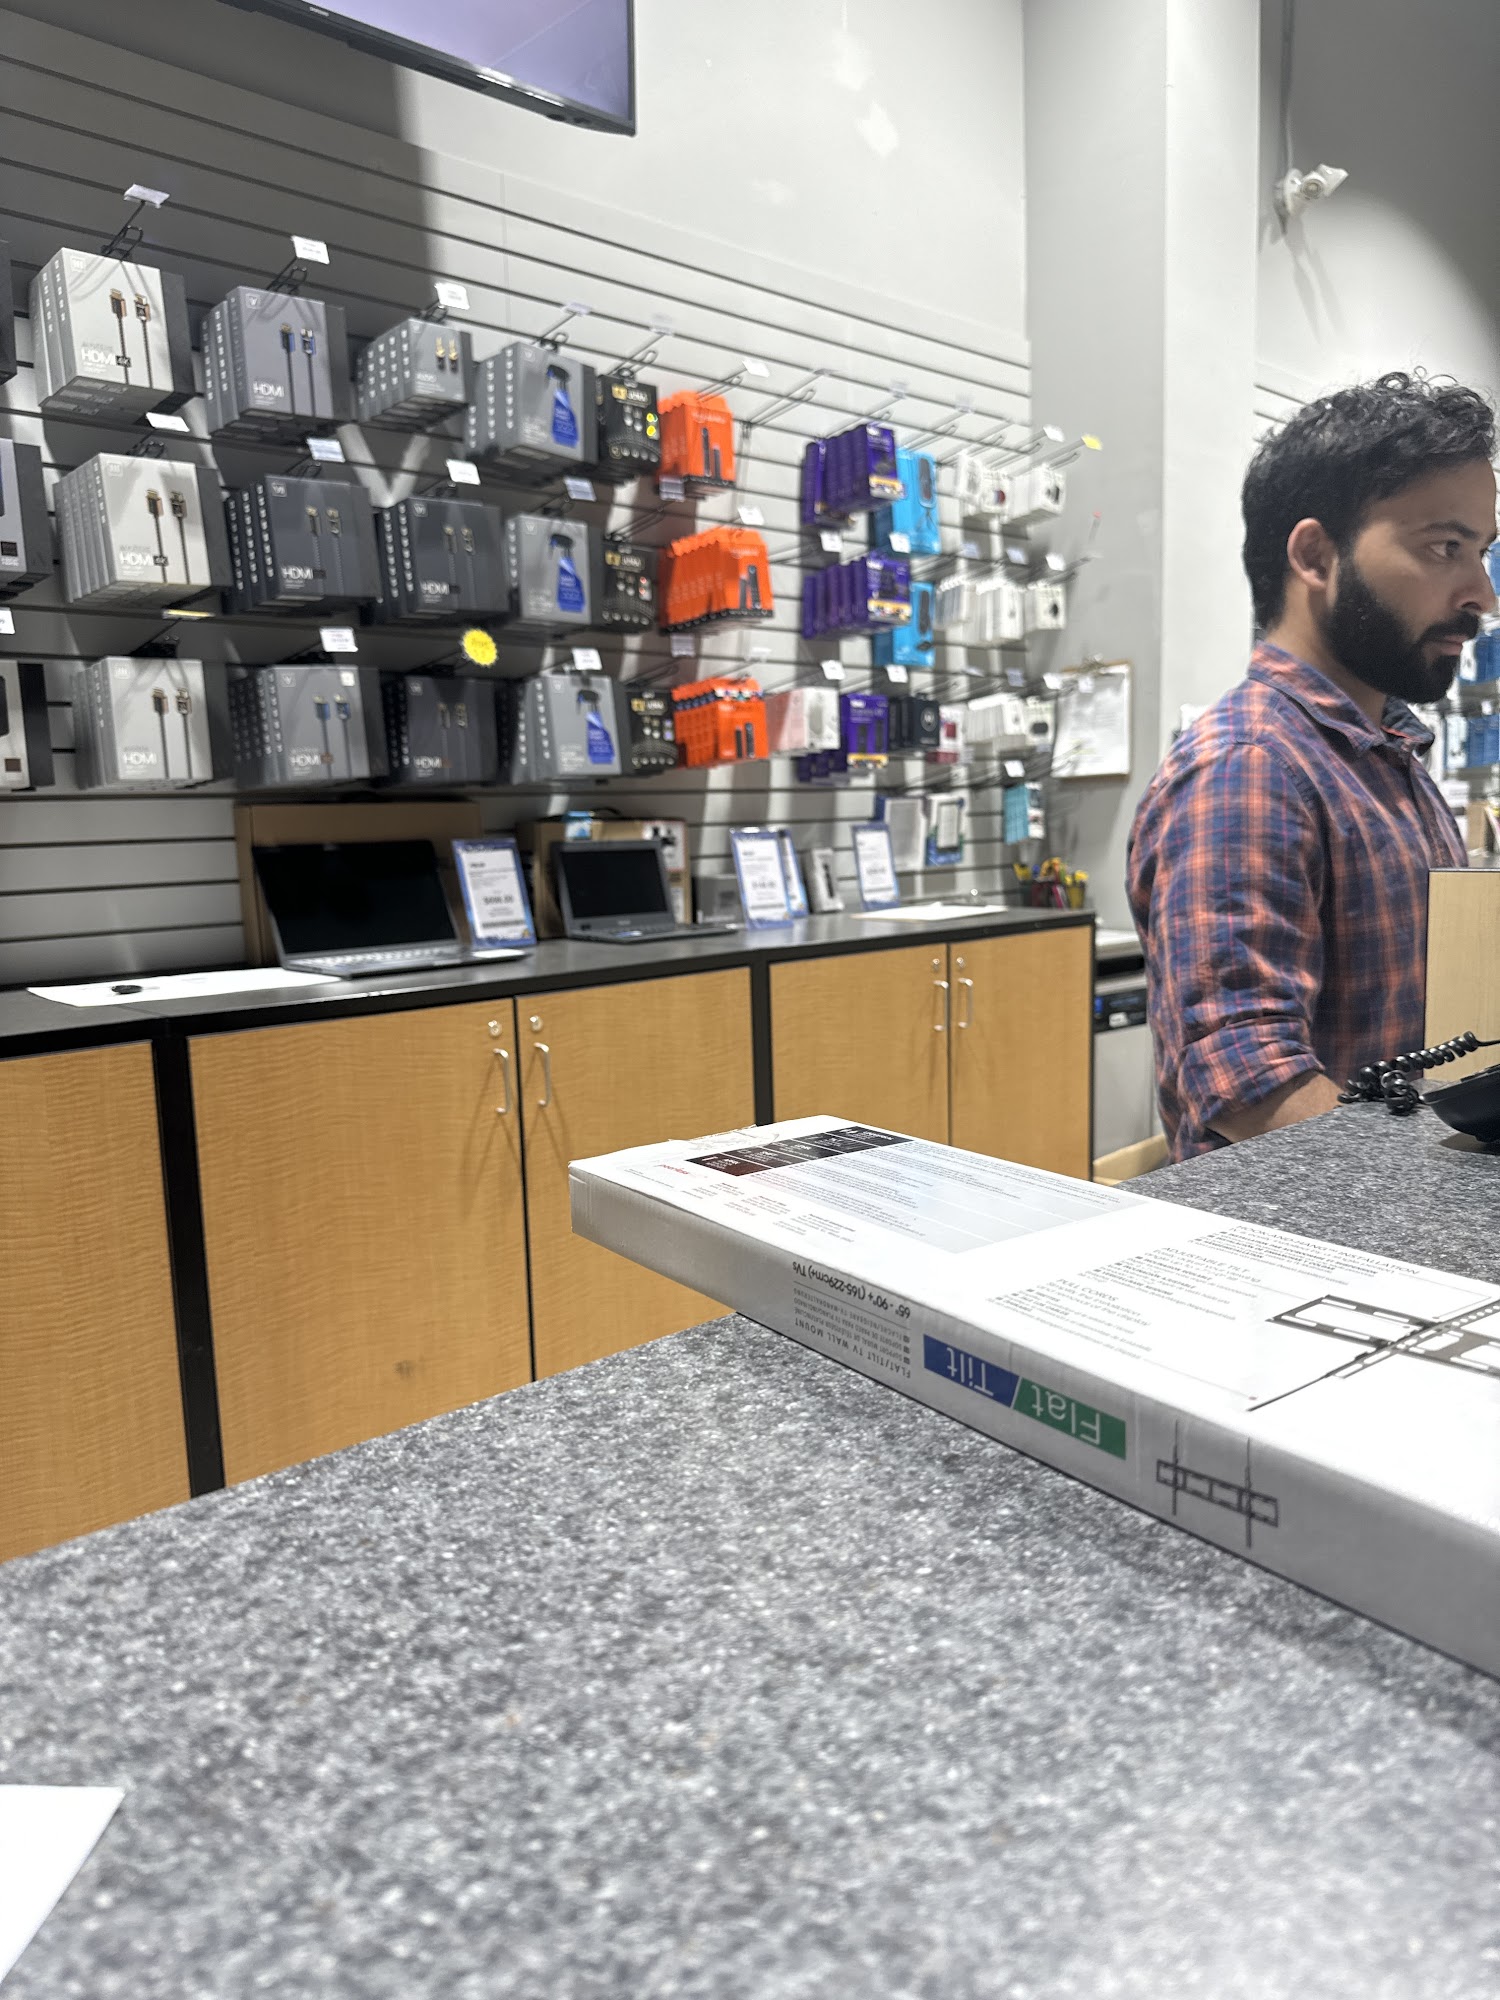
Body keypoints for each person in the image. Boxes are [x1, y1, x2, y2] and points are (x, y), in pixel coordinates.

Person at [1128, 372, 1496, 1160]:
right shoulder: (1249, 768)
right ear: (1315, 555)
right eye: (1445, 548)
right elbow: (1251, 1088)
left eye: (1483, 553)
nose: (1481, 594)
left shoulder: (1388, 756)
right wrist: (1442, 1191)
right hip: (1322, 1230)